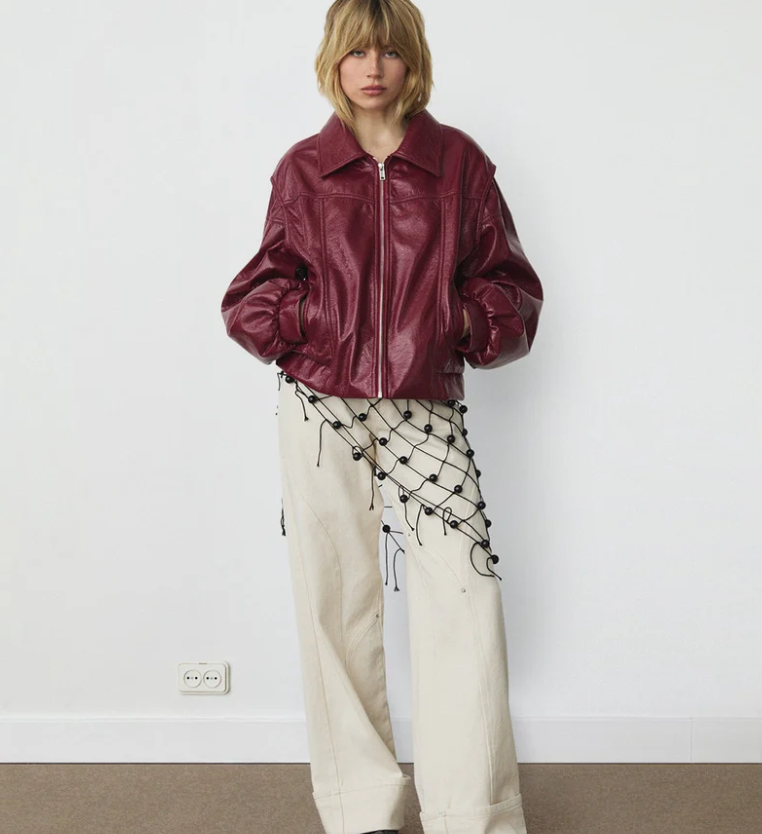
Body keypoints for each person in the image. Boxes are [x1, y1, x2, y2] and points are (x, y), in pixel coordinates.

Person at [220, 1, 544, 832]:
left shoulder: (459, 164)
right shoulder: (304, 170)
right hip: (320, 406)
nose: (373, 68)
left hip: (424, 408)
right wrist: (314, 318)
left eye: (390, 52)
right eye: (357, 51)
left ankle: (472, 813)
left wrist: (453, 319)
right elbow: (252, 299)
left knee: (464, 597)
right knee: (336, 601)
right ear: (334, 59)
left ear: (412, 62)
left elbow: (512, 292)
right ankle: (362, 808)